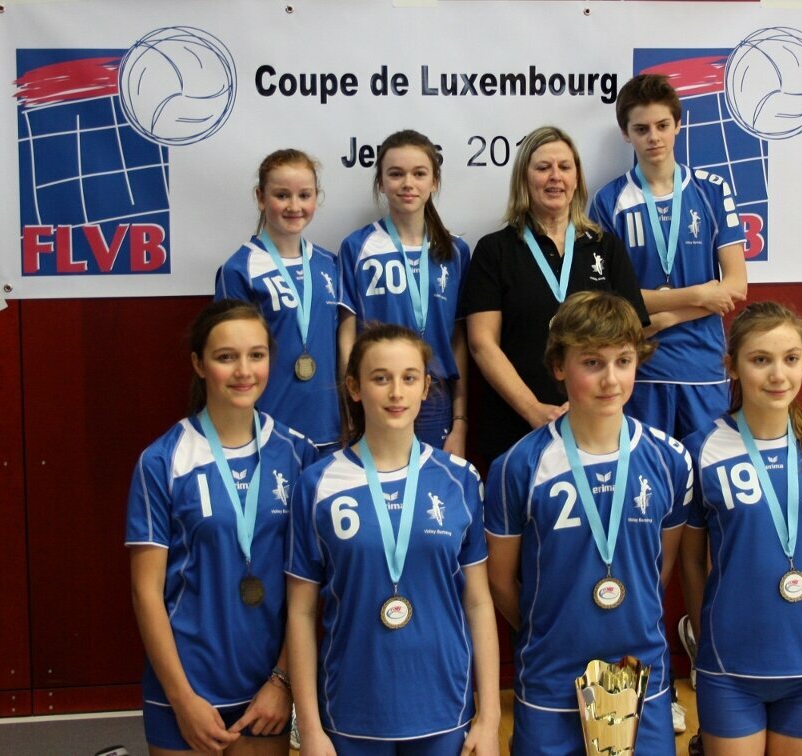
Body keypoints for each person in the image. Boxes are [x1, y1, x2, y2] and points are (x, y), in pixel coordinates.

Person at [485, 290, 691, 755]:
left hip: (640, 669)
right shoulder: (519, 465)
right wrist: (548, 628)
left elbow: (659, 568)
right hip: (550, 673)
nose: (610, 379)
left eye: (623, 361)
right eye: (592, 363)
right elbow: (500, 581)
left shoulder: (669, 460)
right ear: (559, 366)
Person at [286, 323, 500, 755]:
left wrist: (490, 717)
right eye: (380, 378)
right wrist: (309, 726)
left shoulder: (459, 480)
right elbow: (302, 612)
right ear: (354, 387)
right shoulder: (317, 484)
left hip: (445, 706)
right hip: (351, 710)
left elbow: (478, 603)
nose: (396, 392)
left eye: (409, 377)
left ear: (425, 387)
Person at [126, 299, 317, 754]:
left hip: (266, 690)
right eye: (226, 357)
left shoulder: (299, 455)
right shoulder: (163, 460)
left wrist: (283, 681)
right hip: (185, 689)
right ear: (199, 364)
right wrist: (181, 700)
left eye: (256, 355)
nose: (243, 371)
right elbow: (145, 592)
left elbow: (307, 589)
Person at [679, 301, 802, 756]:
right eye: (760, 360)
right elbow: (690, 561)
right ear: (731, 366)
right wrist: (705, 640)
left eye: (791, 358)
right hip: (730, 664)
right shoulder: (701, 448)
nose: (778, 375)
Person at [462, 125, 649, 465]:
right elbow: (481, 344)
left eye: (564, 167)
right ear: (524, 177)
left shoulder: (606, 247)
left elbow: (631, 337)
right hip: (515, 427)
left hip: (595, 427)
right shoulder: (495, 251)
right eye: (543, 167)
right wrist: (533, 409)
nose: (555, 177)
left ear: (577, 178)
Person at [591, 73, 747, 442]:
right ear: (626, 134)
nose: (654, 137)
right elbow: (613, 299)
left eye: (662, 125)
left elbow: (735, 286)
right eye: (641, 129)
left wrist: (663, 318)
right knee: (649, 473)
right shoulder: (608, 201)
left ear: (678, 125)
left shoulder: (712, 190)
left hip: (703, 366)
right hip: (641, 368)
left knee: (705, 471)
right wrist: (699, 295)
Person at [339, 130, 471, 455]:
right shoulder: (357, 247)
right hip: (377, 389)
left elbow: (459, 340)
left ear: (434, 182)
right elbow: (347, 337)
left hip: (435, 395)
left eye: (419, 174)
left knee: (429, 483)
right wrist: (350, 409)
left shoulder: (455, 251)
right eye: (396, 174)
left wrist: (460, 421)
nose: (407, 183)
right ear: (381, 183)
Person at [216, 148, 341, 450]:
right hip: (267, 430)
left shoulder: (329, 264)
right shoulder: (239, 269)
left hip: (329, 429)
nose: (294, 206)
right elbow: (228, 358)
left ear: (316, 198)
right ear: (261, 197)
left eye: (304, 195)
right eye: (282, 195)